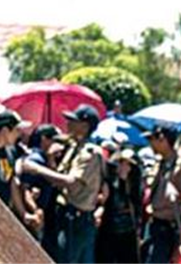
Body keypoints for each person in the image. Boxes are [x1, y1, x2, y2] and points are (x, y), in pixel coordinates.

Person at [17, 103, 104, 264]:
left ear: (85, 126)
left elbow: (71, 182)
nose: (68, 124)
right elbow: (59, 178)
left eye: (73, 121)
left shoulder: (89, 153)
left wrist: (37, 169)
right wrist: (50, 159)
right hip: (65, 214)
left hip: (77, 218)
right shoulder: (74, 147)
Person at [143, 125, 181, 264]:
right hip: (154, 225)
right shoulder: (161, 164)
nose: (150, 144)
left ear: (163, 140)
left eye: (153, 139)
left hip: (169, 229)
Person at [20, 124, 65, 259]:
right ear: (44, 139)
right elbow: (25, 189)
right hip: (35, 216)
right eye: (54, 139)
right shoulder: (35, 159)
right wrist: (35, 210)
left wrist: (51, 158)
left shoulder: (46, 159)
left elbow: (55, 182)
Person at [95, 148, 142, 264]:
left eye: (127, 164)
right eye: (121, 162)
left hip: (127, 231)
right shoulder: (109, 180)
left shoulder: (134, 183)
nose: (124, 166)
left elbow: (135, 203)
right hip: (108, 229)